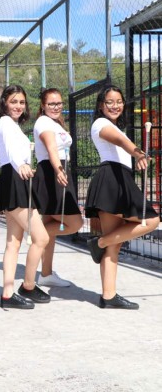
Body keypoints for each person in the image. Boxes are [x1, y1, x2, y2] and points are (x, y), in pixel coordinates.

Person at [84, 85, 160, 309]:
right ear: (101, 105)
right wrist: (137, 152)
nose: (115, 105)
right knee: (152, 220)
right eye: (110, 101)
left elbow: (120, 140)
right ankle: (99, 243)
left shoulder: (117, 127)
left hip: (120, 179)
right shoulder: (101, 124)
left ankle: (108, 295)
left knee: (113, 243)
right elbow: (119, 141)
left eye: (118, 101)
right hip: (111, 179)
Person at [0, 84, 50, 309]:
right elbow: (11, 150)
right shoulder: (6, 122)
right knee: (41, 238)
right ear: (5, 102)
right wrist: (22, 165)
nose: (18, 106)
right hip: (14, 178)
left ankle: (7, 295)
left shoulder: (15, 125)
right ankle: (27, 285)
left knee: (13, 242)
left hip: (16, 179)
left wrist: (25, 165)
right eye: (14, 101)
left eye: (22, 102)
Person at [32, 88, 83, 287]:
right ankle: (38, 234)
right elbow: (52, 148)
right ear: (43, 106)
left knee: (52, 224)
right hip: (53, 172)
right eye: (52, 104)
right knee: (75, 223)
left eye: (59, 103)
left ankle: (46, 273)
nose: (56, 107)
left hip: (58, 171)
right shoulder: (44, 122)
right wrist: (59, 170)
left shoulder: (55, 122)